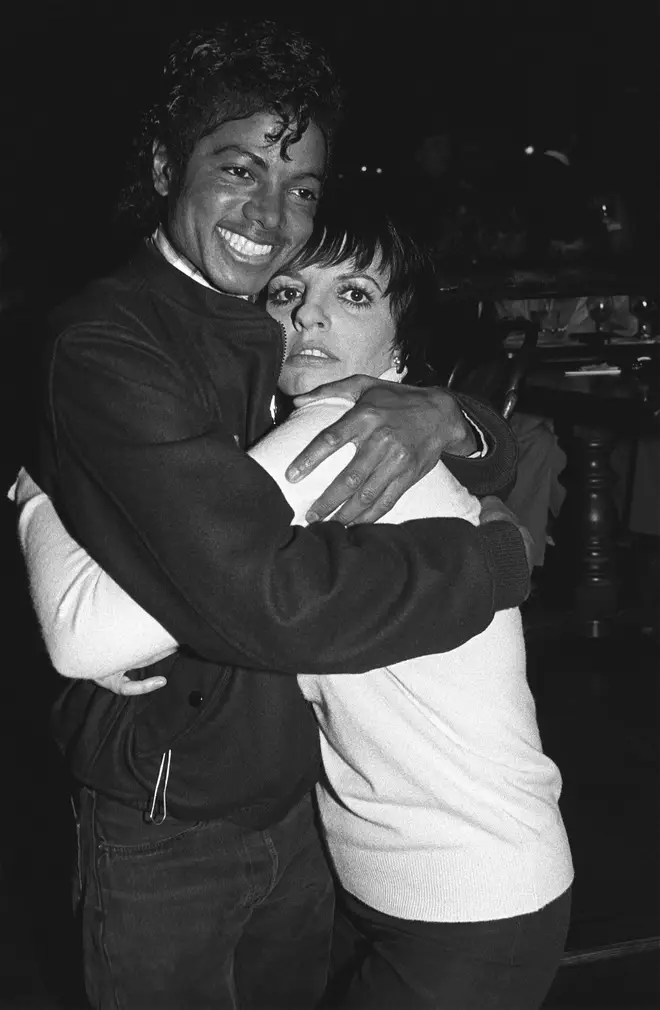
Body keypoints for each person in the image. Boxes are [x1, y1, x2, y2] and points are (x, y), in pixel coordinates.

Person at [16, 21, 531, 1010]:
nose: (272, 212)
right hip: (170, 816)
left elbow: (393, 394)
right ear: (167, 163)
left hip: (295, 803)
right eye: (239, 168)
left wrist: (451, 417)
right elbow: (265, 599)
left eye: (300, 187)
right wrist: (493, 564)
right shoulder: (111, 341)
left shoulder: (267, 323)